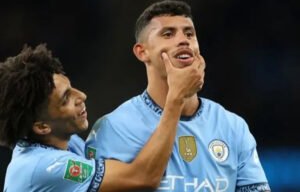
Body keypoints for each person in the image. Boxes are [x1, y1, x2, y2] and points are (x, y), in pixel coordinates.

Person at [86, 0, 271, 192]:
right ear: (142, 52)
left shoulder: (233, 127)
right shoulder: (114, 128)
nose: (183, 40)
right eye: (168, 34)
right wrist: (177, 97)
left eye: (189, 33)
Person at [0, 43, 203, 191]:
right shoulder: (43, 167)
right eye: (66, 99)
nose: (82, 96)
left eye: (72, 88)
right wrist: (175, 98)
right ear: (42, 126)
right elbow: (143, 177)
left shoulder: (69, 145)